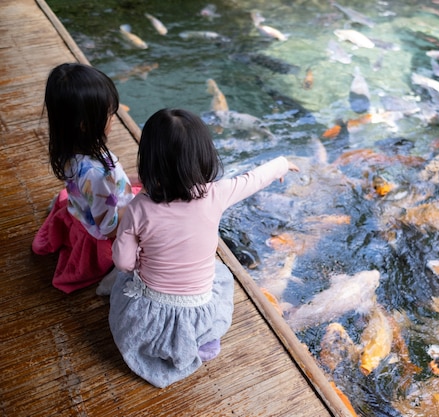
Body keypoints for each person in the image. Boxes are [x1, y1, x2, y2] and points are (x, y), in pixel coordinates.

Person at [108, 108, 299, 388]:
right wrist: (282, 164)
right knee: (218, 274)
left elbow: (123, 262)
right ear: (205, 156)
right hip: (197, 309)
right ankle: (200, 340)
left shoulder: (138, 208)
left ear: (149, 161)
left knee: (123, 285)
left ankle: (163, 344)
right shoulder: (217, 193)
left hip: (151, 314)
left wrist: (139, 262)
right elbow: (252, 179)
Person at [32, 63, 137, 294]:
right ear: (84, 125)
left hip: (84, 209)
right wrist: (139, 206)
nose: (113, 119)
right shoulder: (98, 173)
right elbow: (109, 227)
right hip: (103, 233)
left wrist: (129, 180)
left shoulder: (68, 149)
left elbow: (99, 190)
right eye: (109, 113)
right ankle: (112, 280)